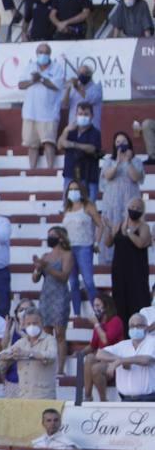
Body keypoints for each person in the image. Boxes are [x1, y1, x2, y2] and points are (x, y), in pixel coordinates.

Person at [106, 198, 152, 329]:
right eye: (133, 207)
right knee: (120, 304)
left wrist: (128, 232)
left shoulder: (144, 227)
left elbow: (141, 243)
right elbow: (108, 243)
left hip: (137, 273)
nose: (135, 210)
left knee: (138, 303)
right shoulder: (119, 224)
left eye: (138, 208)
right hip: (120, 272)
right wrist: (109, 229)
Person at [99, 132, 145, 264]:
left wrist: (127, 161)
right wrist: (118, 163)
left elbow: (136, 177)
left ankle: (130, 258)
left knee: (130, 225)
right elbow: (107, 176)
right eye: (118, 142)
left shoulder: (135, 161)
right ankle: (109, 259)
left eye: (123, 141)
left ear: (129, 143)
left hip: (130, 199)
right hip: (113, 200)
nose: (121, 144)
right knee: (111, 226)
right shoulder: (109, 160)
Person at [60, 179, 104, 315]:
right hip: (69, 248)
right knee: (73, 282)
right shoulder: (67, 207)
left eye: (75, 189)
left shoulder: (88, 206)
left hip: (84, 246)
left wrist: (96, 242)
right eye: (71, 189)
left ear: (81, 191)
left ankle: (97, 310)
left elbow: (100, 225)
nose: (73, 192)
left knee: (88, 281)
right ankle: (77, 313)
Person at [19, 44, 65, 170]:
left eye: (45, 52)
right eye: (40, 52)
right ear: (36, 53)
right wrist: (32, 81)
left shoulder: (57, 68)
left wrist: (42, 79)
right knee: (32, 144)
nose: (43, 55)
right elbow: (21, 85)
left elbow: (57, 86)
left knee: (49, 142)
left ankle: (50, 169)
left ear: (50, 54)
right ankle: (32, 169)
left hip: (49, 113)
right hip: (30, 112)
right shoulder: (30, 67)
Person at [90, 312, 155, 401]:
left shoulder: (152, 341)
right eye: (132, 326)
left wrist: (121, 361)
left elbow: (146, 360)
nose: (135, 328)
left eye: (139, 325)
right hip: (125, 399)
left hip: (148, 399)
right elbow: (100, 353)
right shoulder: (124, 345)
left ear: (146, 327)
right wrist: (119, 360)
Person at [33, 225, 74, 367]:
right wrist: (38, 269)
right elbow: (35, 279)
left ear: (61, 238)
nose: (50, 238)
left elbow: (64, 276)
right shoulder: (45, 256)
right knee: (47, 334)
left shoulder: (67, 254)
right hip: (46, 296)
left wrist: (47, 267)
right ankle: (48, 366)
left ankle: (61, 367)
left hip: (60, 295)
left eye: (53, 235)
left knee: (60, 334)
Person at [0, 308, 58, 399]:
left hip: (44, 397)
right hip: (24, 397)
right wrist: (11, 356)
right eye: (28, 324)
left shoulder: (50, 340)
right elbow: (2, 355)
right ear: (24, 325)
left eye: (35, 323)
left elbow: (51, 355)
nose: (32, 326)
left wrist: (28, 354)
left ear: (42, 323)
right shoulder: (21, 343)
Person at [80, 293, 126, 400]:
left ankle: (103, 399)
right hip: (102, 359)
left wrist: (96, 324)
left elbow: (105, 341)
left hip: (114, 361)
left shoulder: (116, 321)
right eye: (94, 306)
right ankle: (87, 395)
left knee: (96, 368)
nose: (95, 309)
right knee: (90, 357)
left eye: (98, 306)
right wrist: (79, 353)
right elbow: (93, 346)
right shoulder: (100, 324)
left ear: (107, 306)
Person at [59, 104, 103, 204]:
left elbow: (92, 148)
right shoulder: (70, 131)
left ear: (92, 116)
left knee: (89, 209)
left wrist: (73, 144)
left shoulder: (95, 132)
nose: (83, 116)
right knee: (68, 207)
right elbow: (60, 145)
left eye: (86, 114)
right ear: (76, 115)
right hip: (70, 174)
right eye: (80, 114)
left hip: (88, 176)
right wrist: (65, 131)